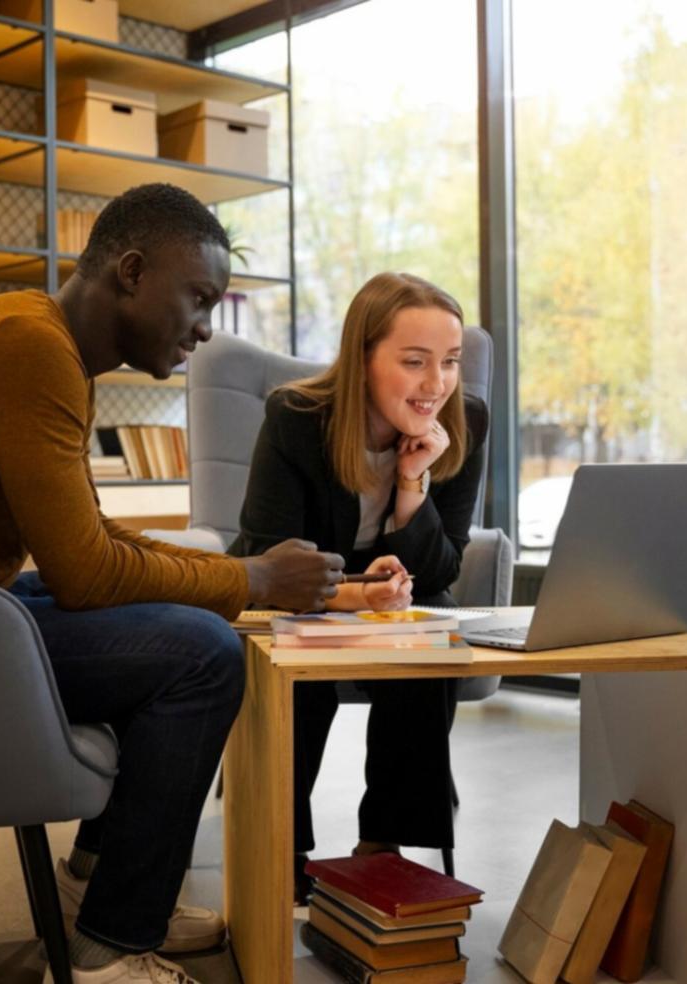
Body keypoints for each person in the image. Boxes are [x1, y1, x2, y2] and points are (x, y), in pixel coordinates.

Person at [0, 183, 341, 983]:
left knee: (172, 616)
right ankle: (114, 943)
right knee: (200, 655)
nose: (205, 327)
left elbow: (87, 540)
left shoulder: (47, 344)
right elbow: (87, 574)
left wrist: (233, 572)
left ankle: (94, 882)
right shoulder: (28, 347)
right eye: (199, 299)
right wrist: (253, 576)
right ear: (130, 272)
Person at [227, 271, 488, 904]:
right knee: (305, 654)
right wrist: (353, 596)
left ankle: (384, 843)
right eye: (414, 362)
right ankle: (284, 842)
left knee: (433, 635)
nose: (437, 384)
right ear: (363, 358)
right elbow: (270, 559)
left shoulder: (463, 421)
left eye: (450, 362)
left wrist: (411, 485)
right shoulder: (296, 418)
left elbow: (443, 567)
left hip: (392, 600)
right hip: (289, 594)